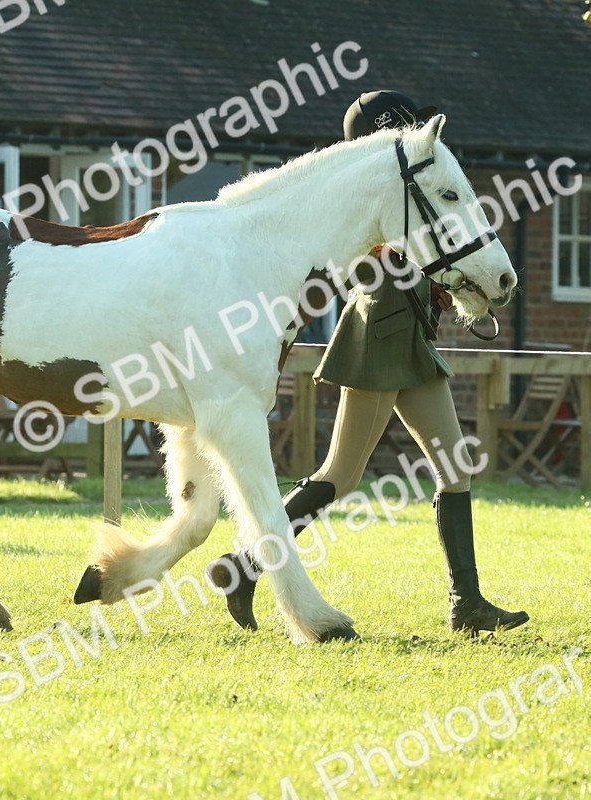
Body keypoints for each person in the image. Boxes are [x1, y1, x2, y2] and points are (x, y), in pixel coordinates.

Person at [205, 90, 529, 635]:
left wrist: (451, 285)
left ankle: (467, 603)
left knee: (455, 468)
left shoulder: (405, 193)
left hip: (412, 342)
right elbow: (373, 265)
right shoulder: (357, 204)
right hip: (378, 341)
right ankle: (245, 564)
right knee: (341, 474)